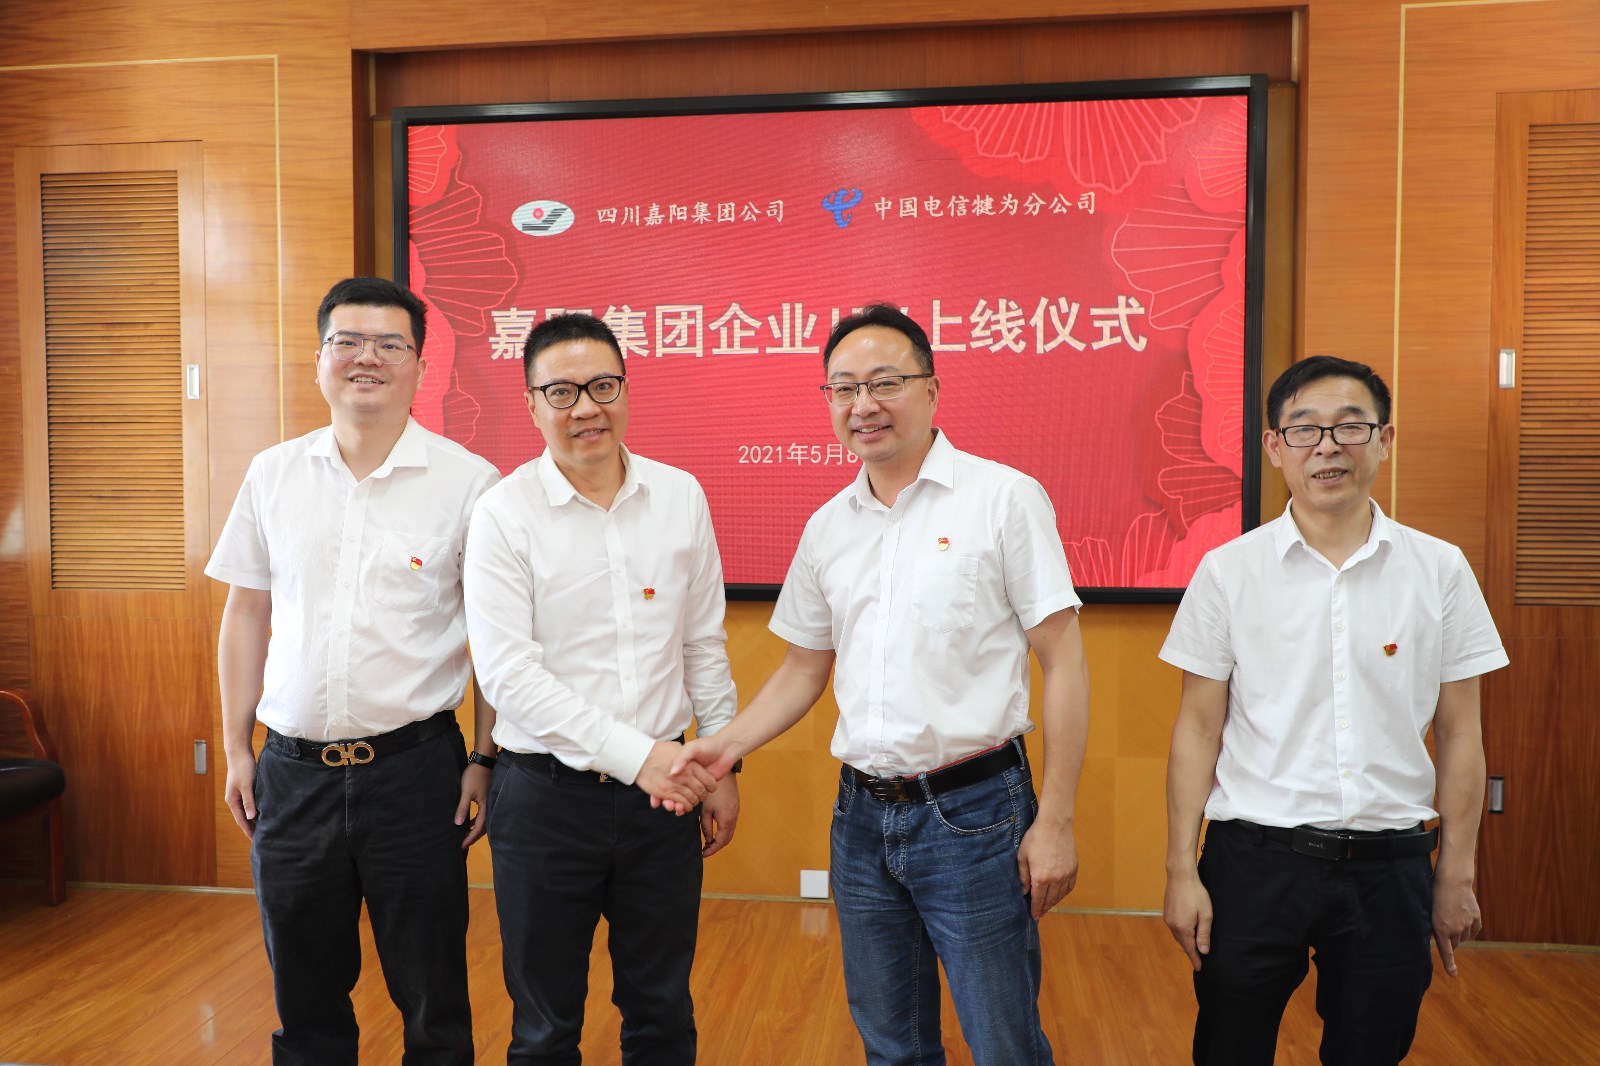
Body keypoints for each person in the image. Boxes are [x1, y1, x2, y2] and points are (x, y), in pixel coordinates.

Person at [668, 304, 1089, 1066]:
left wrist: (1055, 819)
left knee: (1004, 1044)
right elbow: (803, 668)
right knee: (892, 1045)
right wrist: (721, 748)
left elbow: (1063, 660)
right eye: (844, 388)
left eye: (885, 382)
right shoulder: (828, 526)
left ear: (931, 388)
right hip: (860, 819)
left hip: (976, 815)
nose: (863, 404)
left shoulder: (1003, 498)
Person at [1159, 355, 1508, 1065]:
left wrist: (1457, 872)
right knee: (1229, 1046)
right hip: (1255, 860)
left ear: (1384, 440)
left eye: (1351, 426)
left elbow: (1461, 732)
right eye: (1305, 429)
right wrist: (1179, 871)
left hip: (1392, 864)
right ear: (1274, 446)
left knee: (1372, 1050)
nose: (1327, 447)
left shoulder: (1440, 570)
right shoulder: (1229, 571)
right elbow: (1198, 728)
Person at [207, 276, 501, 1064]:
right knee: (304, 996)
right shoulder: (273, 474)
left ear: (420, 367)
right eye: (348, 342)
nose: (366, 358)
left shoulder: (469, 482)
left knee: (433, 994)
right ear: (320, 360)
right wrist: (237, 748)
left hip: (417, 774)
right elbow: (246, 614)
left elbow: (496, 638)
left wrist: (484, 757)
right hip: (291, 774)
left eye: (389, 344)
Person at [462, 312, 735, 1065]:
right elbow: (509, 675)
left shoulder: (679, 496)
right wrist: (639, 757)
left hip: (666, 799)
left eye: (603, 386)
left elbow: (703, 644)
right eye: (561, 392)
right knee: (545, 1026)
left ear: (626, 389)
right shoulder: (503, 514)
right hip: (545, 800)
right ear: (531, 405)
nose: (586, 408)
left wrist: (721, 765)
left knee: (662, 1009)